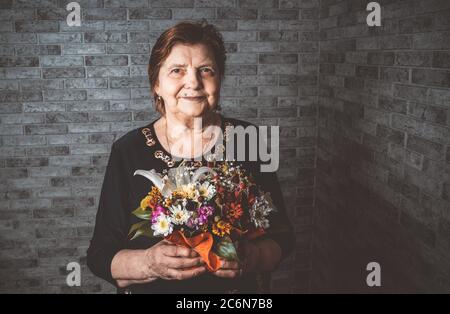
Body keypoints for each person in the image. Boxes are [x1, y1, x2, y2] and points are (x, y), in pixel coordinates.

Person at [87, 20, 295, 294]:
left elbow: (282, 236)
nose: (193, 82)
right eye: (177, 71)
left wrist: (252, 257)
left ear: (219, 78)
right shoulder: (129, 150)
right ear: (156, 84)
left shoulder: (250, 139)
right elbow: (100, 256)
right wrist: (148, 263)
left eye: (205, 70)